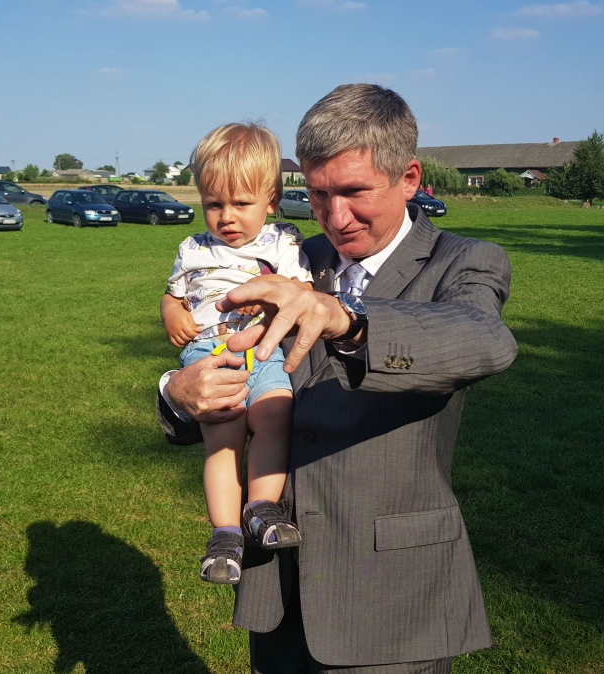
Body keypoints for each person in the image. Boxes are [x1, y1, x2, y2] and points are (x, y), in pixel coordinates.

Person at [158, 84, 518, 673]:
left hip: (390, 598)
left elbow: (484, 339)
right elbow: (217, 359)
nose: (334, 215)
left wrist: (348, 322)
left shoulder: (463, 261)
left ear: (409, 178)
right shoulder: (290, 258)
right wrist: (177, 392)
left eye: (353, 192)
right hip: (279, 587)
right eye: (319, 194)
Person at [161, 122, 313, 586]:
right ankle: (224, 533)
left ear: (271, 200)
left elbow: (302, 290)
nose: (226, 217)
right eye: (214, 204)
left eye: (241, 204)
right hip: (210, 352)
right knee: (223, 437)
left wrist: (267, 293)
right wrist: (172, 314)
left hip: (263, 347)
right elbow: (173, 295)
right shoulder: (192, 248)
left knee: (274, 413)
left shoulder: (283, 240)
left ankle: (262, 508)